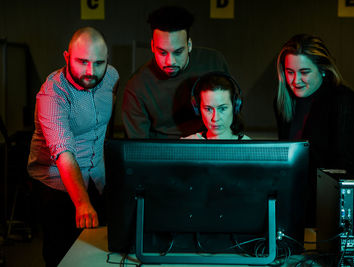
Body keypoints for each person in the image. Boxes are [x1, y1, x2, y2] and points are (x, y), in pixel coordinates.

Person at [27, 27, 119, 266]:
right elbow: (64, 155)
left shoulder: (111, 76)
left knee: (99, 253)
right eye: (82, 62)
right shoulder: (52, 94)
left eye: (99, 63)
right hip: (56, 185)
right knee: (63, 257)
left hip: (98, 178)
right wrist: (82, 203)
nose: (91, 71)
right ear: (67, 57)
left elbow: (106, 126)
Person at [274, 34, 354, 226]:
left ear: (323, 70)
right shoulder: (284, 103)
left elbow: (346, 167)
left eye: (304, 72)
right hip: (296, 202)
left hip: (331, 207)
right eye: (290, 72)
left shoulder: (342, 100)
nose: (295, 80)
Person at [122, 6, 229, 139]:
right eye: (162, 52)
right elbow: (137, 148)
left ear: (189, 45)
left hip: (210, 146)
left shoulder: (214, 62)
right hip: (162, 155)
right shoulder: (137, 86)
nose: (170, 62)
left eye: (178, 52)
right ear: (152, 46)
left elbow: (233, 117)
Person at [183, 72, 250, 140]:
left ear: (235, 106)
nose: (215, 118)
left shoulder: (250, 148)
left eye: (222, 109)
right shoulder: (185, 146)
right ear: (198, 109)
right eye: (208, 109)